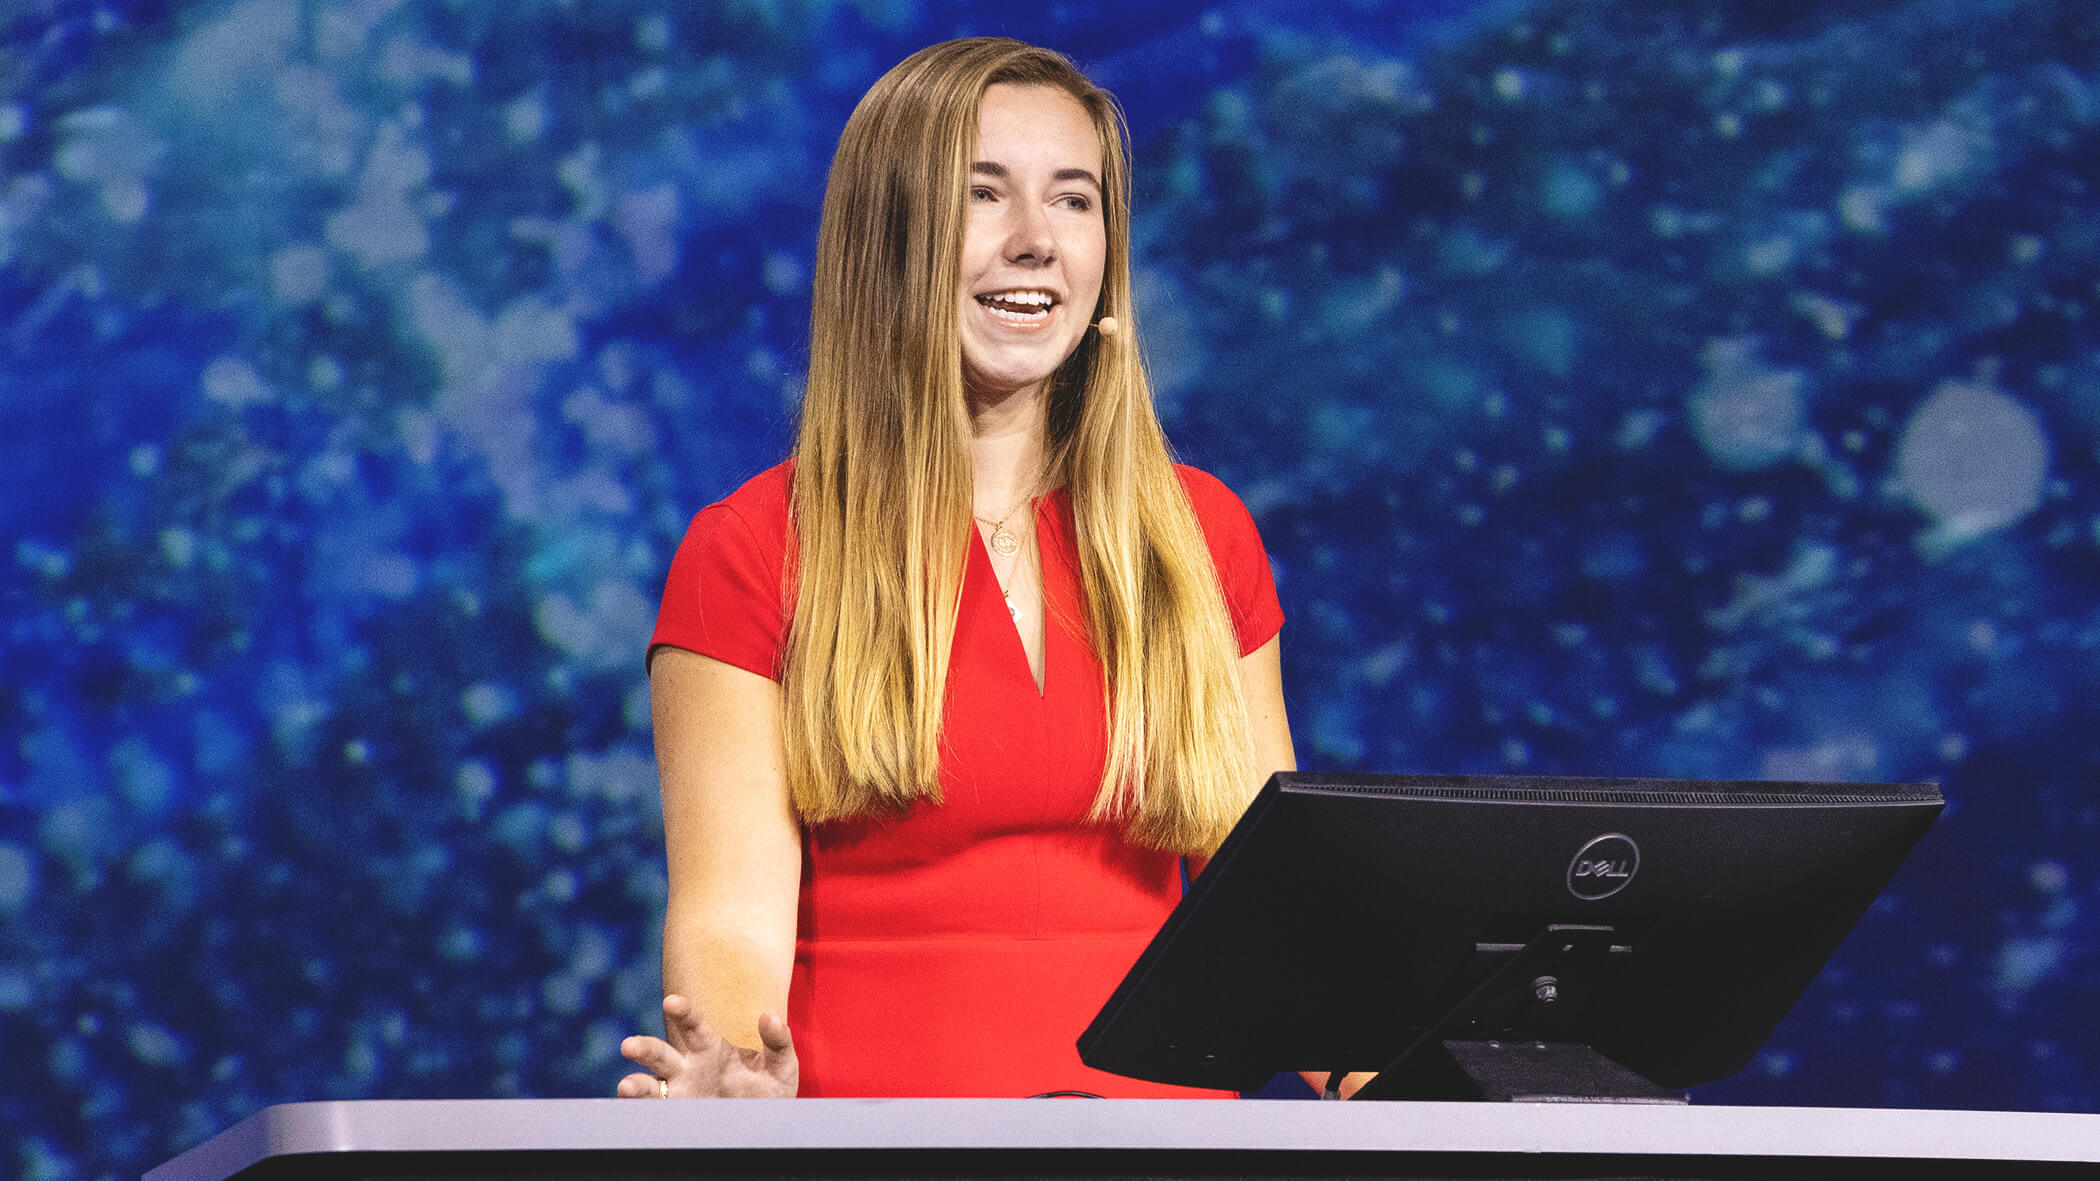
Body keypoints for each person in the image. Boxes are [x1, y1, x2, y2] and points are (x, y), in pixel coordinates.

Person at [616, 36, 1297, 1100]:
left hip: (1171, 1159)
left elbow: (1280, 915)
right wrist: (740, 1076)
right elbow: (729, 914)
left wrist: (1435, 1083)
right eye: (985, 196)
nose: (1037, 242)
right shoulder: (750, 551)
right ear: (892, 237)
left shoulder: (1202, 538)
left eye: (1074, 202)